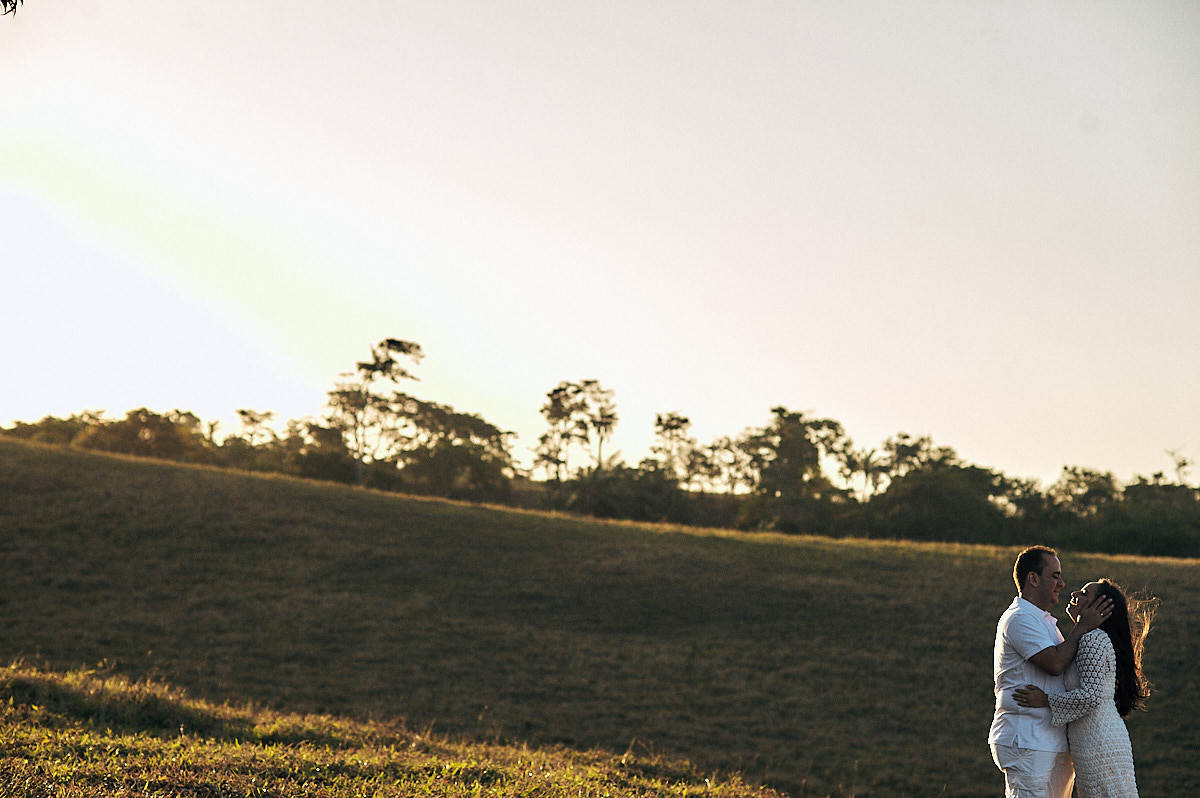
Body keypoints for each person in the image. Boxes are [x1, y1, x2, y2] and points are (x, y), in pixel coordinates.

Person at [990, 545, 1112, 798]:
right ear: (1033, 579)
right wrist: (1083, 626)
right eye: (1055, 576)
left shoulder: (1043, 621)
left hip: (1050, 739)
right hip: (1027, 738)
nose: (1061, 584)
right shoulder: (1020, 618)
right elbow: (1054, 664)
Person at [1014, 579, 1154, 797]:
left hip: (1098, 739)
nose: (1074, 594)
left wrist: (1045, 700)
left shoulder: (1092, 640)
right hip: (1097, 737)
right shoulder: (1088, 639)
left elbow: (1091, 696)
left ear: (1100, 608)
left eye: (1084, 594)